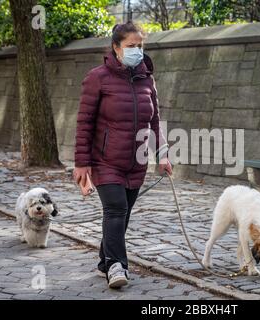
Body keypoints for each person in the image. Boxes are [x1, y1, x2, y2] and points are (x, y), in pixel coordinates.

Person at [73, 21, 172, 289]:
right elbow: (84, 123)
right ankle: (117, 267)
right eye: (131, 46)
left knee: (123, 214)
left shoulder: (147, 78)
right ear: (116, 48)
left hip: (137, 162)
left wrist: (162, 155)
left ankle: (105, 260)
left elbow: (154, 121)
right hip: (105, 161)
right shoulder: (97, 78)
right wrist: (82, 163)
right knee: (115, 209)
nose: (137, 51)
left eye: (140, 46)